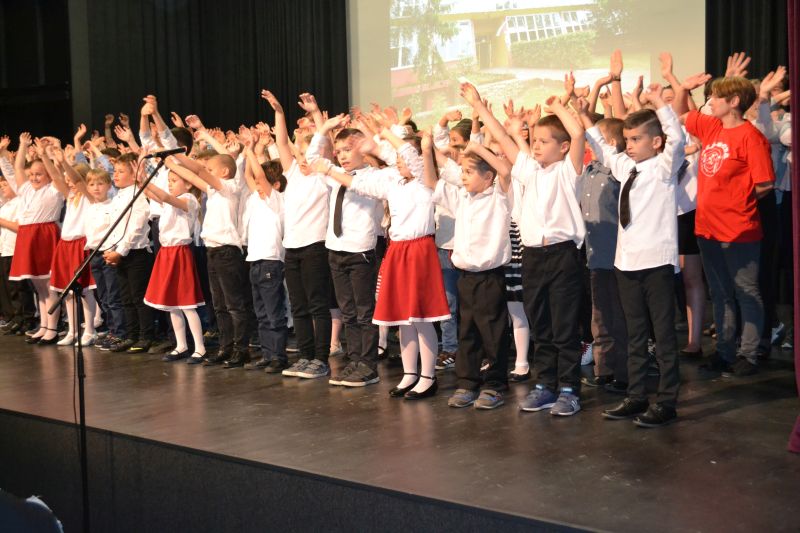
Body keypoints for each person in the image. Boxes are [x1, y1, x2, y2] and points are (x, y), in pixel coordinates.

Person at [467, 81, 587, 416]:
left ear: (563, 147)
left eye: (544, 142)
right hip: (533, 256)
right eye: (535, 141)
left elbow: (578, 134)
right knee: (541, 325)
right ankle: (545, 384)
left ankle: (569, 389)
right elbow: (504, 139)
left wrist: (559, 107)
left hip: (563, 255)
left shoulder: (568, 172)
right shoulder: (530, 171)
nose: (536, 146)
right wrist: (479, 106)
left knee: (564, 327)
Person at [313, 125, 450, 399]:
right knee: (403, 319)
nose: (398, 162)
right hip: (397, 250)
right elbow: (358, 183)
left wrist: (384, 139)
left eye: (401, 158)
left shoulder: (426, 182)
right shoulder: (392, 182)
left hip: (419, 249)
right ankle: (409, 374)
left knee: (421, 318)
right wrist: (331, 168)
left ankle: (427, 376)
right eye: (395, 159)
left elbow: (410, 157)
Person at [583, 83, 686, 427]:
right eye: (627, 139)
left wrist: (659, 105)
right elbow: (602, 148)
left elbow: (677, 140)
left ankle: (667, 401)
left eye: (636, 139)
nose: (629, 144)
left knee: (663, 334)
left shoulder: (664, 168)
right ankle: (637, 395)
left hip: (656, 263)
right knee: (635, 332)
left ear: (656, 142)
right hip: (626, 263)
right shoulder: (627, 166)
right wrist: (584, 116)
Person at [675, 72, 775, 376]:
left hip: (738, 230)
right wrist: (682, 88)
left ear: (734, 102)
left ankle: (749, 353)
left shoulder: (751, 137)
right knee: (719, 293)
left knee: (745, 291)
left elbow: (765, 183)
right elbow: (682, 114)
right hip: (707, 227)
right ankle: (724, 351)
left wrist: (736, 203)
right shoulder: (712, 127)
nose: (711, 101)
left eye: (717, 96)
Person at [305, 100, 384, 387]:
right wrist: (323, 128)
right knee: (348, 311)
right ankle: (354, 361)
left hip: (360, 251)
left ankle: (368, 365)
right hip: (336, 250)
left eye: (348, 149)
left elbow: (357, 182)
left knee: (364, 312)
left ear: (362, 149)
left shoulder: (373, 177)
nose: (342, 156)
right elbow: (313, 158)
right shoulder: (336, 177)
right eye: (338, 152)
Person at [431, 137, 513, 410]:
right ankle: (467, 382)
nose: (463, 176)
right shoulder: (462, 199)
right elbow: (434, 180)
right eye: (463, 171)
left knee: (493, 332)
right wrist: (428, 149)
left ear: (487, 177)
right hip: (465, 276)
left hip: (490, 276)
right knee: (468, 331)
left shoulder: (499, 197)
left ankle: (495, 384)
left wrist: (477, 148)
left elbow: (505, 171)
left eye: (469, 172)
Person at [260, 90, 333, 380]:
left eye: (307, 152)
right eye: (300, 152)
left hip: (315, 247)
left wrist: (316, 115)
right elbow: (281, 142)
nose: (301, 157)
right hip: (292, 248)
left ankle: (321, 359)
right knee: (299, 306)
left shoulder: (323, 176)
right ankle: (305, 356)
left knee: (317, 305)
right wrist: (278, 111)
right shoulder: (291, 173)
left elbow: (324, 145)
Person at [578, 115, 629, 392]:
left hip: (616, 257)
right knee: (599, 318)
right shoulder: (588, 171)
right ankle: (604, 368)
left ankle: (623, 371)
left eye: (593, 139)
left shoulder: (617, 172)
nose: (588, 144)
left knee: (619, 316)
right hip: (594, 257)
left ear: (608, 142)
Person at [141, 163, 206, 362]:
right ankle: (181, 345)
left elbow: (165, 197)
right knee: (172, 304)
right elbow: (153, 195)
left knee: (186, 303)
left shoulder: (189, 199)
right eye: (168, 181)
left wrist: (147, 180)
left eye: (174, 181)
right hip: (166, 253)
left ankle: (200, 347)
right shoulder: (171, 202)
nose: (170, 184)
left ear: (188, 184)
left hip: (180, 253)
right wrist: (141, 179)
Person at [240, 136, 290, 374]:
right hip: (255, 261)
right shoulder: (257, 198)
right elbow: (249, 177)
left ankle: (278, 356)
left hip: (270, 262)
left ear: (276, 185)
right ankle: (267, 354)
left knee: (273, 313)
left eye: (264, 184)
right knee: (261, 313)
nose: (258, 186)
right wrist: (250, 150)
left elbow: (258, 176)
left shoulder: (276, 200)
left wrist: (251, 151)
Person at [8, 133, 64, 345]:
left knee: (49, 285)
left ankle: (53, 328)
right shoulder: (26, 190)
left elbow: (56, 174)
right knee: (38, 287)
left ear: (47, 175)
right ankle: (44, 325)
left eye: (39, 174)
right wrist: (22, 145)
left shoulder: (54, 189)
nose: (34, 178)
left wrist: (45, 156)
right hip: (27, 236)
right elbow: (18, 169)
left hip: (44, 235)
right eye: (32, 174)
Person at [103, 151, 154, 353]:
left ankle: (146, 336)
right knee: (126, 298)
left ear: (134, 174)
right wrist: (110, 249)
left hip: (136, 253)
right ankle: (131, 335)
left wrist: (121, 251)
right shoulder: (117, 197)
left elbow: (136, 228)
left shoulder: (139, 196)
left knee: (138, 297)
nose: (115, 175)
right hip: (119, 253)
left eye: (121, 171)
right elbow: (113, 226)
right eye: (115, 171)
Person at [48, 151, 98, 347]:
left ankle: (90, 330)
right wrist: (45, 156)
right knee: (67, 291)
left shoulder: (88, 197)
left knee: (85, 291)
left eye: (71, 179)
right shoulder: (70, 196)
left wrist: (64, 163)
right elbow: (55, 177)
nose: (68, 182)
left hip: (80, 243)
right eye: (67, 180)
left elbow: (77, 180)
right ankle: (73, 330)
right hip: (65, 245)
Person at [82, 168, 126, 349]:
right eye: (92, 184)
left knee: (113, 296)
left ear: (109, 185)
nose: (96, 188)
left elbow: (117, 231)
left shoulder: (113, 206)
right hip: (94, 254)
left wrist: (113, 250)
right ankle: (112, 329)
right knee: (102, 296)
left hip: (108, 253)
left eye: (100, 184)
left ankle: (119, 333)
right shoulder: (90, 208)